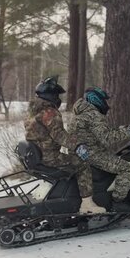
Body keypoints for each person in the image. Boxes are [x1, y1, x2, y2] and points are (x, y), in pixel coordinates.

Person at [24, 76, 105, 214]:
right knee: (82, 164)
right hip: (49, 157)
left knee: (71, 159)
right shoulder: (50, 112)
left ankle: (72, 195)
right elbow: (59, 135)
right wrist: (78, 145)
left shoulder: (33, 111)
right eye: (56, 95)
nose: (58, 98)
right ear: (51, 96)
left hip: (38, 154)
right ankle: (87, 205)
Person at [71, 87, 130, 210]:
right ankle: (118, 201)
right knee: (125, 168)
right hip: (91, 154)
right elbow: (107, 138)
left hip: (80, 153)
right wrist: (129, 132)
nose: (106, 104)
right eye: (104, 100)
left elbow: (98, 133)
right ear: (96, 100)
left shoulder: (80, 113)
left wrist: (121, 129)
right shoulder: (94, 115)